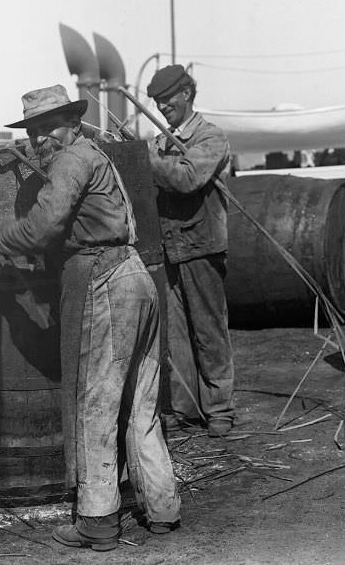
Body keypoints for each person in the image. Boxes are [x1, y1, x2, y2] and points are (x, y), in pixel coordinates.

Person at [0, 84, 180, 552]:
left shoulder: (70, 161)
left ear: (72, 123)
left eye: (50, 127)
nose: (41, 138)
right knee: (139, 403)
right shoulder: (94, 154)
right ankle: (163, 507)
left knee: (95, 405)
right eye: (34, 131)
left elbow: (43, 228)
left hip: (103, 282)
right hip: (135, 276)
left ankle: (98, 522)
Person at [146, 64, 235, 438]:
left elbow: (186, 178)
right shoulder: (161, 142)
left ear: (186, 94)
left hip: (201, 246)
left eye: (168, 98)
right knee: (177, 335)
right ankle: (186, 409)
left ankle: (220, 409)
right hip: (169, 249)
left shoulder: (210, 138)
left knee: (209, 332)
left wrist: (143, 159)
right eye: (156, 101)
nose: (163, 105)